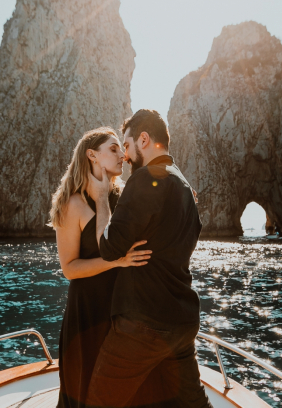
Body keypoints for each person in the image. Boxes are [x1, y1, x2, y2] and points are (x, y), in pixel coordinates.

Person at [86, 110, 213, 408]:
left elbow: (108, 247)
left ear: (144, 139)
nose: (126, 157)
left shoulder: (144, 179)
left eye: (127, 146)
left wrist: (103, 198)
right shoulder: (185, 188)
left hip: (143, 325)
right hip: (182, 323)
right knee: (194, 404)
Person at [49, 127, 154, 408]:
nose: (123, 154)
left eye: (122, 148)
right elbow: (70, 269)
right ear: (92, 155)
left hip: (123, 309)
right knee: (87, 388)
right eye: (113, 149)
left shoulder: (122, 197)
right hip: (89, 312)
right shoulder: (72, 204)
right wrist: (117, 261)